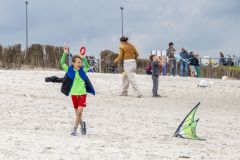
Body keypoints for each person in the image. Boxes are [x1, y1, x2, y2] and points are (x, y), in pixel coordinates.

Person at [60, 45, 95, 136]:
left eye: (80, 62)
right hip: (73, 94)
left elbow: (87, 65)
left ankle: (74, 130)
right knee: (78, 115)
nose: (80, 64)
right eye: (78, 62)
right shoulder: (69, 70)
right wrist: (65, 53)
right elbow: (62, 62)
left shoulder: (83, 70)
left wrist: (83, 59)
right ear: (73, 63)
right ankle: (82, 125)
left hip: (82, 94)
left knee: (79, 112)